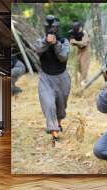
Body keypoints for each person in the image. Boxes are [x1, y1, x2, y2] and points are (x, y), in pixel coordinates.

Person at [35, 15, 71, 146]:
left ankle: (58, 123)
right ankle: (54, 133)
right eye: (49, 28)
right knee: (49, 104)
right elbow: (38, 49)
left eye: (54, 28)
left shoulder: (64, 42)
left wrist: (56, 43)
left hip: (62, 78)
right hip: (46, 77)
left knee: (61, 107)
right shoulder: (40, 41)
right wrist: (47, 41)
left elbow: (63, 57)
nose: (51, 30)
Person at [68, 21, 90, 87]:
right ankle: (84, 78)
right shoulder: (73, 32)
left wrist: (76, 42)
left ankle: (83, 82)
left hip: (86, 50)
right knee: (77, 66)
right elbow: (72, 41)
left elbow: (84, 43)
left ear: (80, 28)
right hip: (79, 50)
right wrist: (72, 42)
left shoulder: (84, 33)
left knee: (84, 66)